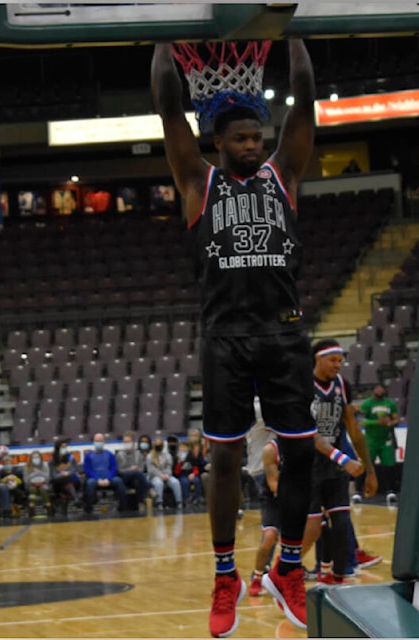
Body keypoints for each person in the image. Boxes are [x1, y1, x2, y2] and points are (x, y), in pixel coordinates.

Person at [151, 36, 317, 636]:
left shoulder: (284, 176)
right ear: (218, 142)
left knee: (299, 452)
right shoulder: (199, 184)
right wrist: (164, 50)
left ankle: (289, 570)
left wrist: (296, 40)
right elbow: (171, 111)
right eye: (241, 139)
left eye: (258, 139)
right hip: (224, 337)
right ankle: (225, 577)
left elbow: (305, 108)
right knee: (224, 457)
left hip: (284, 334)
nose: (252, 146)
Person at [302, 339, 377, 585]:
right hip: (308, 466)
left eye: (340, 361)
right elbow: (309, 434)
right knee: (313, 529)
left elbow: (354, 430)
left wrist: (370, 471)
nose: (338, 365)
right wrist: (343, 458)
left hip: (334, 467)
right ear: (318, 359)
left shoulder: (342, 385)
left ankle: (336, 579)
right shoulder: (303, 386)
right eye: (333, 360)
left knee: (342, 523)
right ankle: (283, 571)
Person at [248, 432, 281, 597]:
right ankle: (257, 576)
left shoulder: (304, 446)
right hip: (275, 498)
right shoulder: (272, 448)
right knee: (269, 536)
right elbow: (274, 484)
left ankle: (282, 574)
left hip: (297, 496)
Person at [359, 383, 401, 505]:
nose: (379, 390)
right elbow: (362, 421)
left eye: (381, 389)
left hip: (386, 439)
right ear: (373, 391)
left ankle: (389, 491)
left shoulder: (390, 404)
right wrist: (377, 422)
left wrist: (391, 423)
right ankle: (358, 491)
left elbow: (396, 419)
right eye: (377, 389)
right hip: (371, 440)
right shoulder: (367, 403)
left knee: (388, 466)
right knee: (366, 464)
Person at [82, 433, 128, 514]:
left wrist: (108, 479)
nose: (98, 442)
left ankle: (123, 508)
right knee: (89, 483)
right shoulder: (88, 456)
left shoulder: (110, 454)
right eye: (96, 441)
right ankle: (89, 510)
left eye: (100, 441)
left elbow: (114, 468)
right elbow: (88, 470)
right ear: (93, 442)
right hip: (95, 479)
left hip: (109, 478)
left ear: (104, 442)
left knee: (119, 481)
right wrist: (97, 479)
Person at [116, 431, 150, 511]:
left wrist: (135, 471)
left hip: (136, 478)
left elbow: (141, 469)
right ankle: (149, 488)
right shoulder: (119, 454)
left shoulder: (139, 454)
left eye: (128, 442)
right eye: (125, 442)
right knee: (136, 473)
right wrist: (130, 470)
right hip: (124, 477)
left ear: (133, 442)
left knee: (137, 481)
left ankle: (140, 503)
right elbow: (119, 470)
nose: (126, 443)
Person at [148, 435, 183, 510]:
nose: (158, 446)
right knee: (158, 483)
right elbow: (151, 470)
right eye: (157, 444)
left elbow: (169, 467)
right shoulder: (149, 456)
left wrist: (166, 475)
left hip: (167, 475)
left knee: (175, 482)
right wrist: (160, 475)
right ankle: (159, 503)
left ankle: (179, 502)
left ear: (163, 445)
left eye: (160, 444)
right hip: (154, 476)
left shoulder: (167, 455)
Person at [50, 438, 81, 513]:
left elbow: (75, 470)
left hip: (70, 480)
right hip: (57, 483)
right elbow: (53, 475)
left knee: (68, 481)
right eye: (62, 447)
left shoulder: (70, 458)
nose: (64, 449)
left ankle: (69, 500)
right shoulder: (52, 461)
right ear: (58, 448)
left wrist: (68, 473)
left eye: (65, 447)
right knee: (65, 481)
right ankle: (75, 498)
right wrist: (62, 474)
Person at [24, 450, 53, 517]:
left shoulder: (45, 466)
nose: (36, 459)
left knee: (43, 489)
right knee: (33, 489)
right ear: (31, 458)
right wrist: (32, 480)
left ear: (40, 458)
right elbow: (25, 480)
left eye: (37, 457)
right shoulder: (27, 466)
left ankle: (48, 507)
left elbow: (48, 478)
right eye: (34, 457)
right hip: (31, 485)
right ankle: (31, 509)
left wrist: (40, 474)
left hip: (43, 485)